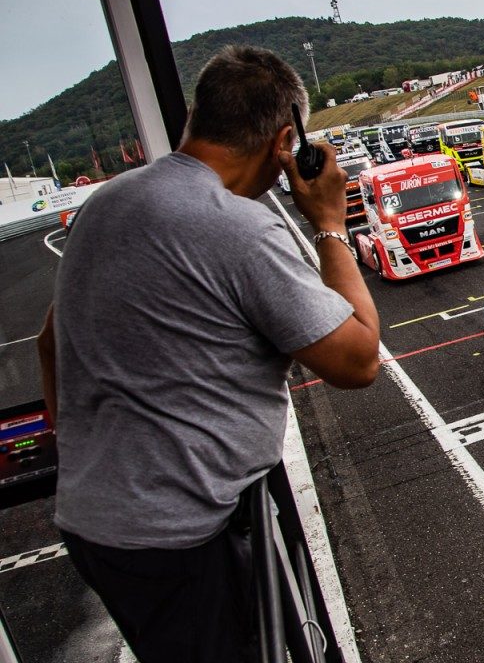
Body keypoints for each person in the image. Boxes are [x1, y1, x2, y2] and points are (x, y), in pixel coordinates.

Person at [36, 45, 380, 663]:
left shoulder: (106, 203)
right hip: (182, 535)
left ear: (196, 117)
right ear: (286, 142)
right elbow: (358, 362)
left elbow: (48, 342)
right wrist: (329, 222)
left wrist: (86, 445)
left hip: (97, 523)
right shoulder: (236, 228)